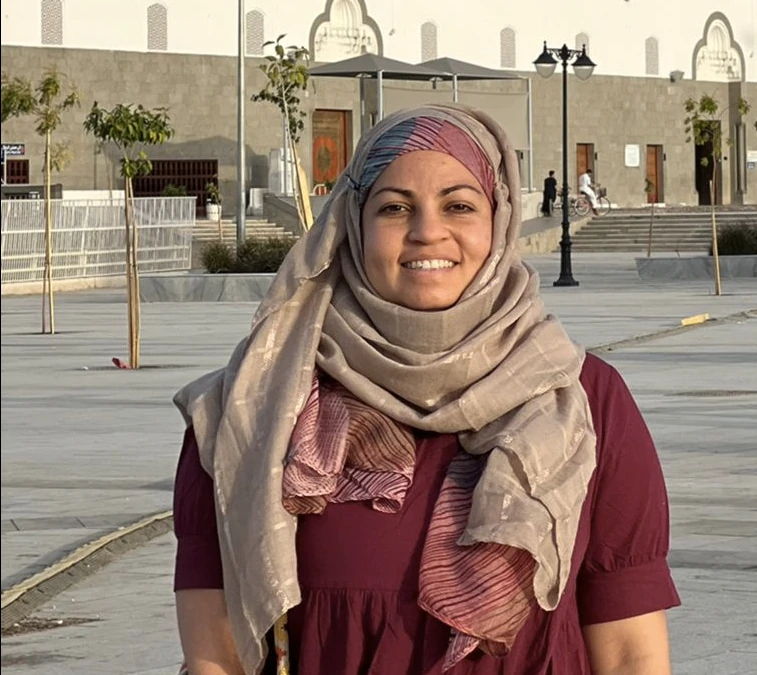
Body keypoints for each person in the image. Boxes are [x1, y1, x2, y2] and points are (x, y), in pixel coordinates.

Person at [171, 104, 680, 675]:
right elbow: (217, 658)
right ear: (353, 224)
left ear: (499, 220)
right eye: (394, 208)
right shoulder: (255, 405)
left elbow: (630, 652)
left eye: (459, 205)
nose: (427, 232)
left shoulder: (584, 399)